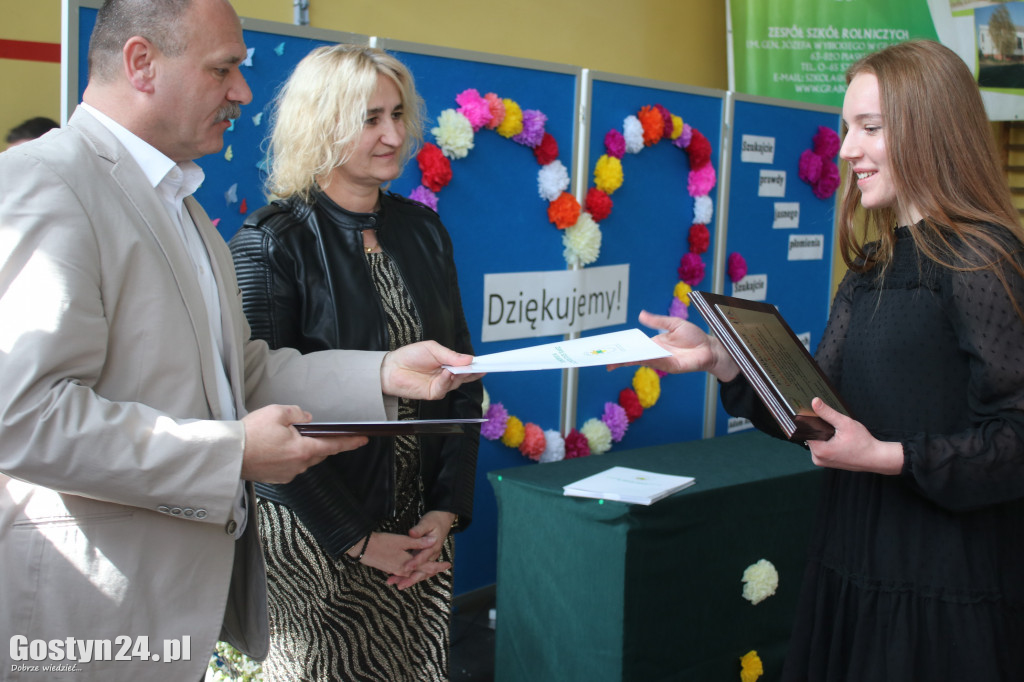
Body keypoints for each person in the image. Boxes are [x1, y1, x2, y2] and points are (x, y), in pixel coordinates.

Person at [0, 2, 479, 681]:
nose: (243, 93)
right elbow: (22, 417)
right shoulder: (44, 182)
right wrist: (232, 453)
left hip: (174, 610)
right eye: (223, 69)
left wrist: (383, 373)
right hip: (92, 613)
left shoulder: (184, 209)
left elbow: (241, 371)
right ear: (140, 64)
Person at [636, 40, 1024, 680]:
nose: (846, 149)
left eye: (869, 128)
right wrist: (721, 360)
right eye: (847, 128)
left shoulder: (981, 259)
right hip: (854, 562)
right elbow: (816, 413)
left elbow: (1015, 440)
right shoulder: (872, 269)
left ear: (930, 129)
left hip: (943, 588)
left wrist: (885, 456)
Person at [228, 44, 481, 681]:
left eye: (398, 114)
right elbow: (256, 412)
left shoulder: (424, 231)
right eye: (370, 118)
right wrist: (357, 539)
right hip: (318, 541)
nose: (394, 135)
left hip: (420, 537)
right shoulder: (269, 241)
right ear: (323, 123)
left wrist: (443, 514)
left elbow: (461, 380)